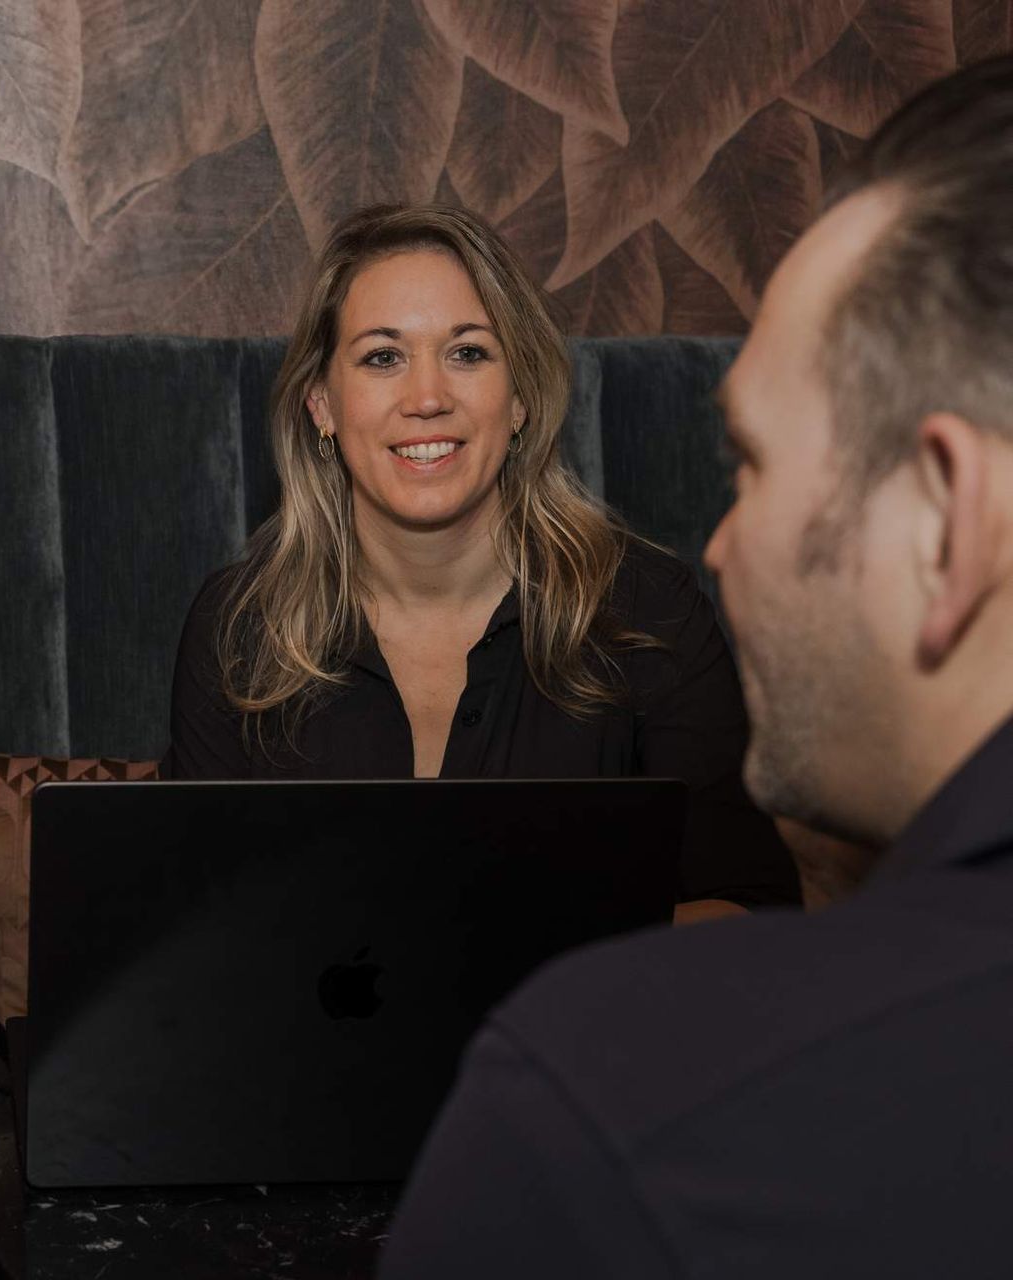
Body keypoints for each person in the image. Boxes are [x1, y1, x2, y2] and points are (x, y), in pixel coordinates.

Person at [380, 54, 1013, 1278]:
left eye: (754, 465)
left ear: (950, 514)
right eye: (381, 358)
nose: (722, 542)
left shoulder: (604, 1094)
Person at [165, 203, 799, 918]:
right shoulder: (238, 627)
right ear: (321, 404)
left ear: (521, 396)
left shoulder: (648, 610)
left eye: (468, 352)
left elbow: (750, 910)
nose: (428, 398)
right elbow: (186, 934)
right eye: (383, 357)